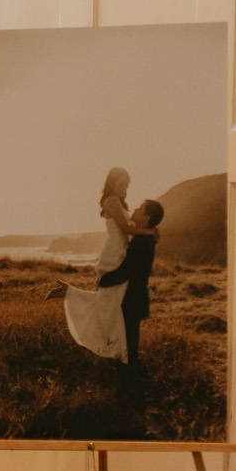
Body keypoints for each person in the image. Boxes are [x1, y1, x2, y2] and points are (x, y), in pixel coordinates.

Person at [64, 167, 157, 362]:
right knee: (111, 297)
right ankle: (118, 346)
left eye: (127, 185)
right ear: (112, 183)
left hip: (121, 247)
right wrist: (150, 232)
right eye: (121, 184)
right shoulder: (112, 200)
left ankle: (120, 345)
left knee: (115, 299)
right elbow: (125, 228)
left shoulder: (120, 201)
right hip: (115, 249)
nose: (125, 188)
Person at [99, 199, 163, 406]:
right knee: (128, 345)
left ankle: (132, 396)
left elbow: (128, 270)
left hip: (132, 300)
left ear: (146, 218)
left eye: (140, 208)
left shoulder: (143, 241)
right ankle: (131, 392)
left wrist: (103, 280)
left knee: (128, 347)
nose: (135, 209)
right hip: (134, 298)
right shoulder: (143, 238)